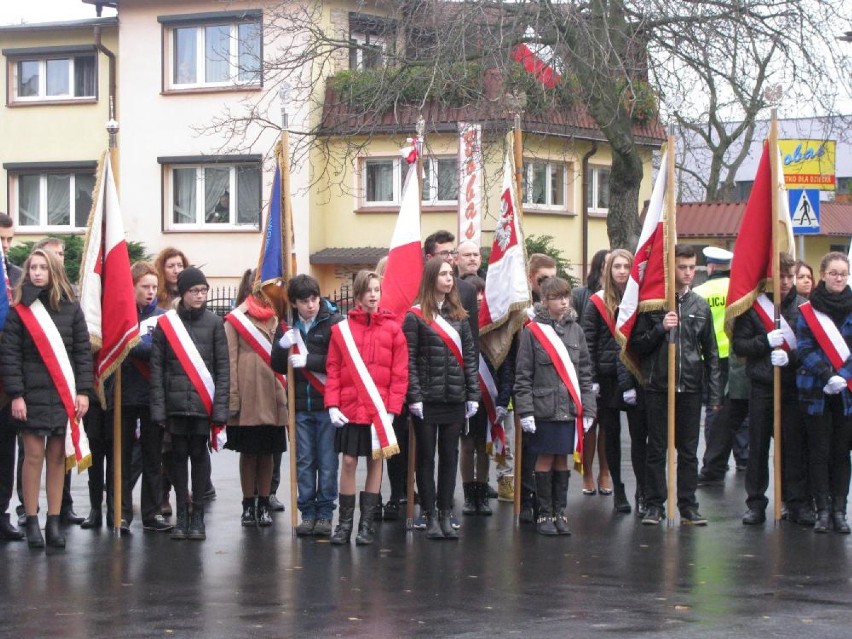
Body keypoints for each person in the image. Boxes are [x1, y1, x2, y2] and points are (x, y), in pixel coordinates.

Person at [0, 249, 92, 548]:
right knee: (33, 457)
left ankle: (54, 521)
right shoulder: (20, 309)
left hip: (62, 394)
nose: (37, 273)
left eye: (43, 268)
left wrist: (82, 391)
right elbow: (10, 356)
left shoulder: (72, 308)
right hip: (30, 395)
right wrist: (16, 395)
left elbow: (81, 353)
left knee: (56, 458)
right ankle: (31, 520)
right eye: (33, 268)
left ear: (54, 271)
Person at [630, 244, 722, 526]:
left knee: (688, 451)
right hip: (658, 385)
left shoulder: (700, 305)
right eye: (682, 267)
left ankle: (688, 505)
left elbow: (712, 352)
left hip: (690, 387)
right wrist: (661, 328)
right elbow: (637, 345)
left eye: (692, 267)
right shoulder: (653, 305)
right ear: (672, 269)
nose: (688, 273)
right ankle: (655, 505)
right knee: (656, 448)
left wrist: (714, 392)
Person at [324, 270, 408, 545]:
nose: (373, 295)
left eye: (377, 290)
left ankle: (367, 525)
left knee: (375, 461)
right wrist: (332, 404)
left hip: (380, 410)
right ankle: (344, 524)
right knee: (348, 462)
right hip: (350, 407)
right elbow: (333, 368)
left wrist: (394, 408)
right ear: (358, 295)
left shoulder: (394, 329)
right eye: (368, 290)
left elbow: (400, 373)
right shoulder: (342, 330)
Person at [150, 267, 229, 541]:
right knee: (176, 458)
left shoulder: (215, 323)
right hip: (174, 405)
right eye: (194, 291)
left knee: (199, 457)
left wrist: (220, 410)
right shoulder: (166, 324)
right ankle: (182, 510)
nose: (199, 295)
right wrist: (158, 409)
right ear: (183, 293)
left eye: (203, 291)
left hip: (202, 406)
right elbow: (157, 369)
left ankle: (198, 515)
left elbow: (222, 370)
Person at [403, 257, 479, 539]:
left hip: (455, 398)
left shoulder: (460, 315)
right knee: (426, 457)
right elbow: (409, 360)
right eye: (444, 274)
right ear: (431, 278)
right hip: (427, 399)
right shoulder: (415, 316)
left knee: (450, 456)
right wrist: (415, 396)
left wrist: (472, 394)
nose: (449, 279)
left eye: (451, 274)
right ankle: (430, 514)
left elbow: (470, 357)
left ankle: (446, 513)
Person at [734, 252, 810, 526]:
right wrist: (764, 342)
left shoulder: (804, 306)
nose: (787, 281)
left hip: (791, 386)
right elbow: (739, 346)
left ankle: (795, 502)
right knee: (757, 447)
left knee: (793, 446)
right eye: (781, 275)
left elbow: (810, 347)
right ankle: (755, 502)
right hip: (762, 384)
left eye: (790, 276)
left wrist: (791, 357)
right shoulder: (754, 307)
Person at [516, 276, 596, 535]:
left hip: (569, 408)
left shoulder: (576, 331)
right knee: (544, 458)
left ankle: (559, 513)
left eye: (566, 297)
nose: (563, 302)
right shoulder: (532, 332)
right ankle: (544, 515)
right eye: (556, 298)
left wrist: (589, 408)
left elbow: (584, 373)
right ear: (544, 301)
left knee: (562, 459)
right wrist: (525, 411)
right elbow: (523, 375)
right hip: (543, 409)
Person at [99, 261, 173, 533]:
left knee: (153, 458)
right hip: (124, 395)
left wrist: (133, 346)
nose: (151, 292)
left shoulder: (164, 318)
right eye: (144, 287)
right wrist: (136, 347)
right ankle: (121, 513)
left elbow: (161, 352)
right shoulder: (120, 318)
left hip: (152, 396)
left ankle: (152, 514)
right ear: (131, 288)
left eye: (154, 287)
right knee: (121, 459)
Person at [271, 274, 342, 538]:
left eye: (314, 299)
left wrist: (310, 361)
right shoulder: (289, 326)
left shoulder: (333, 322)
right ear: (294, 303)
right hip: (300, 406)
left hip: (326, 404)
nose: (311, 305)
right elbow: (277, 365)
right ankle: (307, 512)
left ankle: (324, 513)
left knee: (326, 461)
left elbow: (340, 361)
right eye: (304, 301)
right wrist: (282, 346)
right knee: (303, 461)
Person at [581, 249, 648, 514]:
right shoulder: (596, 302)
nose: (621, 271)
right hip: (607, 378)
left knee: (638, 435)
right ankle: (618, 488)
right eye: (616, 266)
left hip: (634, 374)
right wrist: (592, 379)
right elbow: (589, 342)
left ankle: (641, 490)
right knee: (610, 434)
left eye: (626, 266)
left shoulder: (641, 300)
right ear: (608, 271)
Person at [224, 270, 288, 528]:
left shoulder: (280, 317)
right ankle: (248, 504)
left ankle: (264, 502)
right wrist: (232, 398)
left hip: (273, 394)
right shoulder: (236, 319)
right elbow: (229, 361)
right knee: (249, 453)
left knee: (269, 453)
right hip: (249, 397)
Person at [796, 251, 852, 533]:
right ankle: (823, 510)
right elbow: (803, 349)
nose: (839, 278)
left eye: (843, 273)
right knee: (818, 451)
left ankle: (840, 511)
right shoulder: (808, 309)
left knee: (841, 453)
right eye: (833, 273)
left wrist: (843, 377)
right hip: (815, 391)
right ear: (824, 275)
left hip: (847, 393)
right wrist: (827, 374)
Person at [459, 274, 514, 516]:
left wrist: (503, 399)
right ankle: (469, 494)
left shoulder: (496, 326)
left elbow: (507, 366)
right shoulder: (459, 322)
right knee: (468, 446)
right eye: (474, 293)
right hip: (466, 395)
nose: (479, 298)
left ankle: (481, 492)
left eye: (483, 293)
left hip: (490, 396)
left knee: (485, 446)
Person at [517, 253, 558, 523]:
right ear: (531, 279)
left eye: (552, 279)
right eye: (542, 280)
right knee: (529, 449)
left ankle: (551, 502)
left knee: (551, 448)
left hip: (553, 391)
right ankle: (526, 499)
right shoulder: (521, 312)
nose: (547, 286)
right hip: (528, 388)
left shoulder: (561, 310)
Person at [572, 248, 612, 497]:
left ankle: (604, 473)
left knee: (607, 425)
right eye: (608, 264)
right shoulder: (581, 295)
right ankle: (587, 472)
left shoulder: (618, 295)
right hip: (586, 368)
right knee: (589, 424)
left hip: (610, 370)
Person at [0, 213, 24, 541]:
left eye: (9, 240)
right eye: (0, 239)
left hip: (7, 379)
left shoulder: (16, 277)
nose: (5, 247)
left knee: (6, 450)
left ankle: (2, 512)